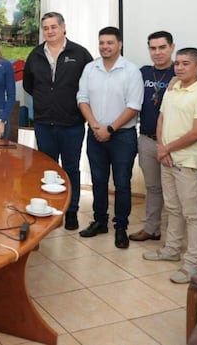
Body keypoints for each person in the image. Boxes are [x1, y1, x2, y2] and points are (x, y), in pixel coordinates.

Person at [142, 48, 197, 284]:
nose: (180, 68)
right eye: (178, 64)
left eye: (186, 64)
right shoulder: (173, 89)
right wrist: (162, 148)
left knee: (192, 214)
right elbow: (161, 118)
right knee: (172, 208)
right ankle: (171, 250)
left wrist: (166, 148)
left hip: (188, 162)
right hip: (167, 158)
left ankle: (192, 262)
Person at [23, 12, 92, 230]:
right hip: (44, 123)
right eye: (46, 28)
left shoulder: (80, 54)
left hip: (72, 123)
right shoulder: (35, 54)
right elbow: (28, 85)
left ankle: (71, 211)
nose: (50, 31)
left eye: (54, 27)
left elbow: (89, 86)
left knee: (71, 169)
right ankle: (51, 211)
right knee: (48, 172)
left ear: (63, 28)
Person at [77, 26, 143, 249]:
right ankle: (100, 221)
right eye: (102, 42)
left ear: (120, 44)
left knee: (122, 183)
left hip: (122, 136)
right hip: (95, 133)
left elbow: (134, 106)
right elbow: (82, 98)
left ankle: (121, 227)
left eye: (110, 43)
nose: (105, 46)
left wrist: (110, 129)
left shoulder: (131, 71)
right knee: (98, 180)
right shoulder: (90, 68)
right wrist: (96, 126)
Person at [129, 31, 176, 242]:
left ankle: (176, 238)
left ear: (172, 47)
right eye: (153, 48)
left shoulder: (181, 71)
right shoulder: (143, 73)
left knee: (175, 193)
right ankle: (152, 228)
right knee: (153, 187)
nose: (157, 52)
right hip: (147, 139)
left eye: (162, 47)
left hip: (173, 143)